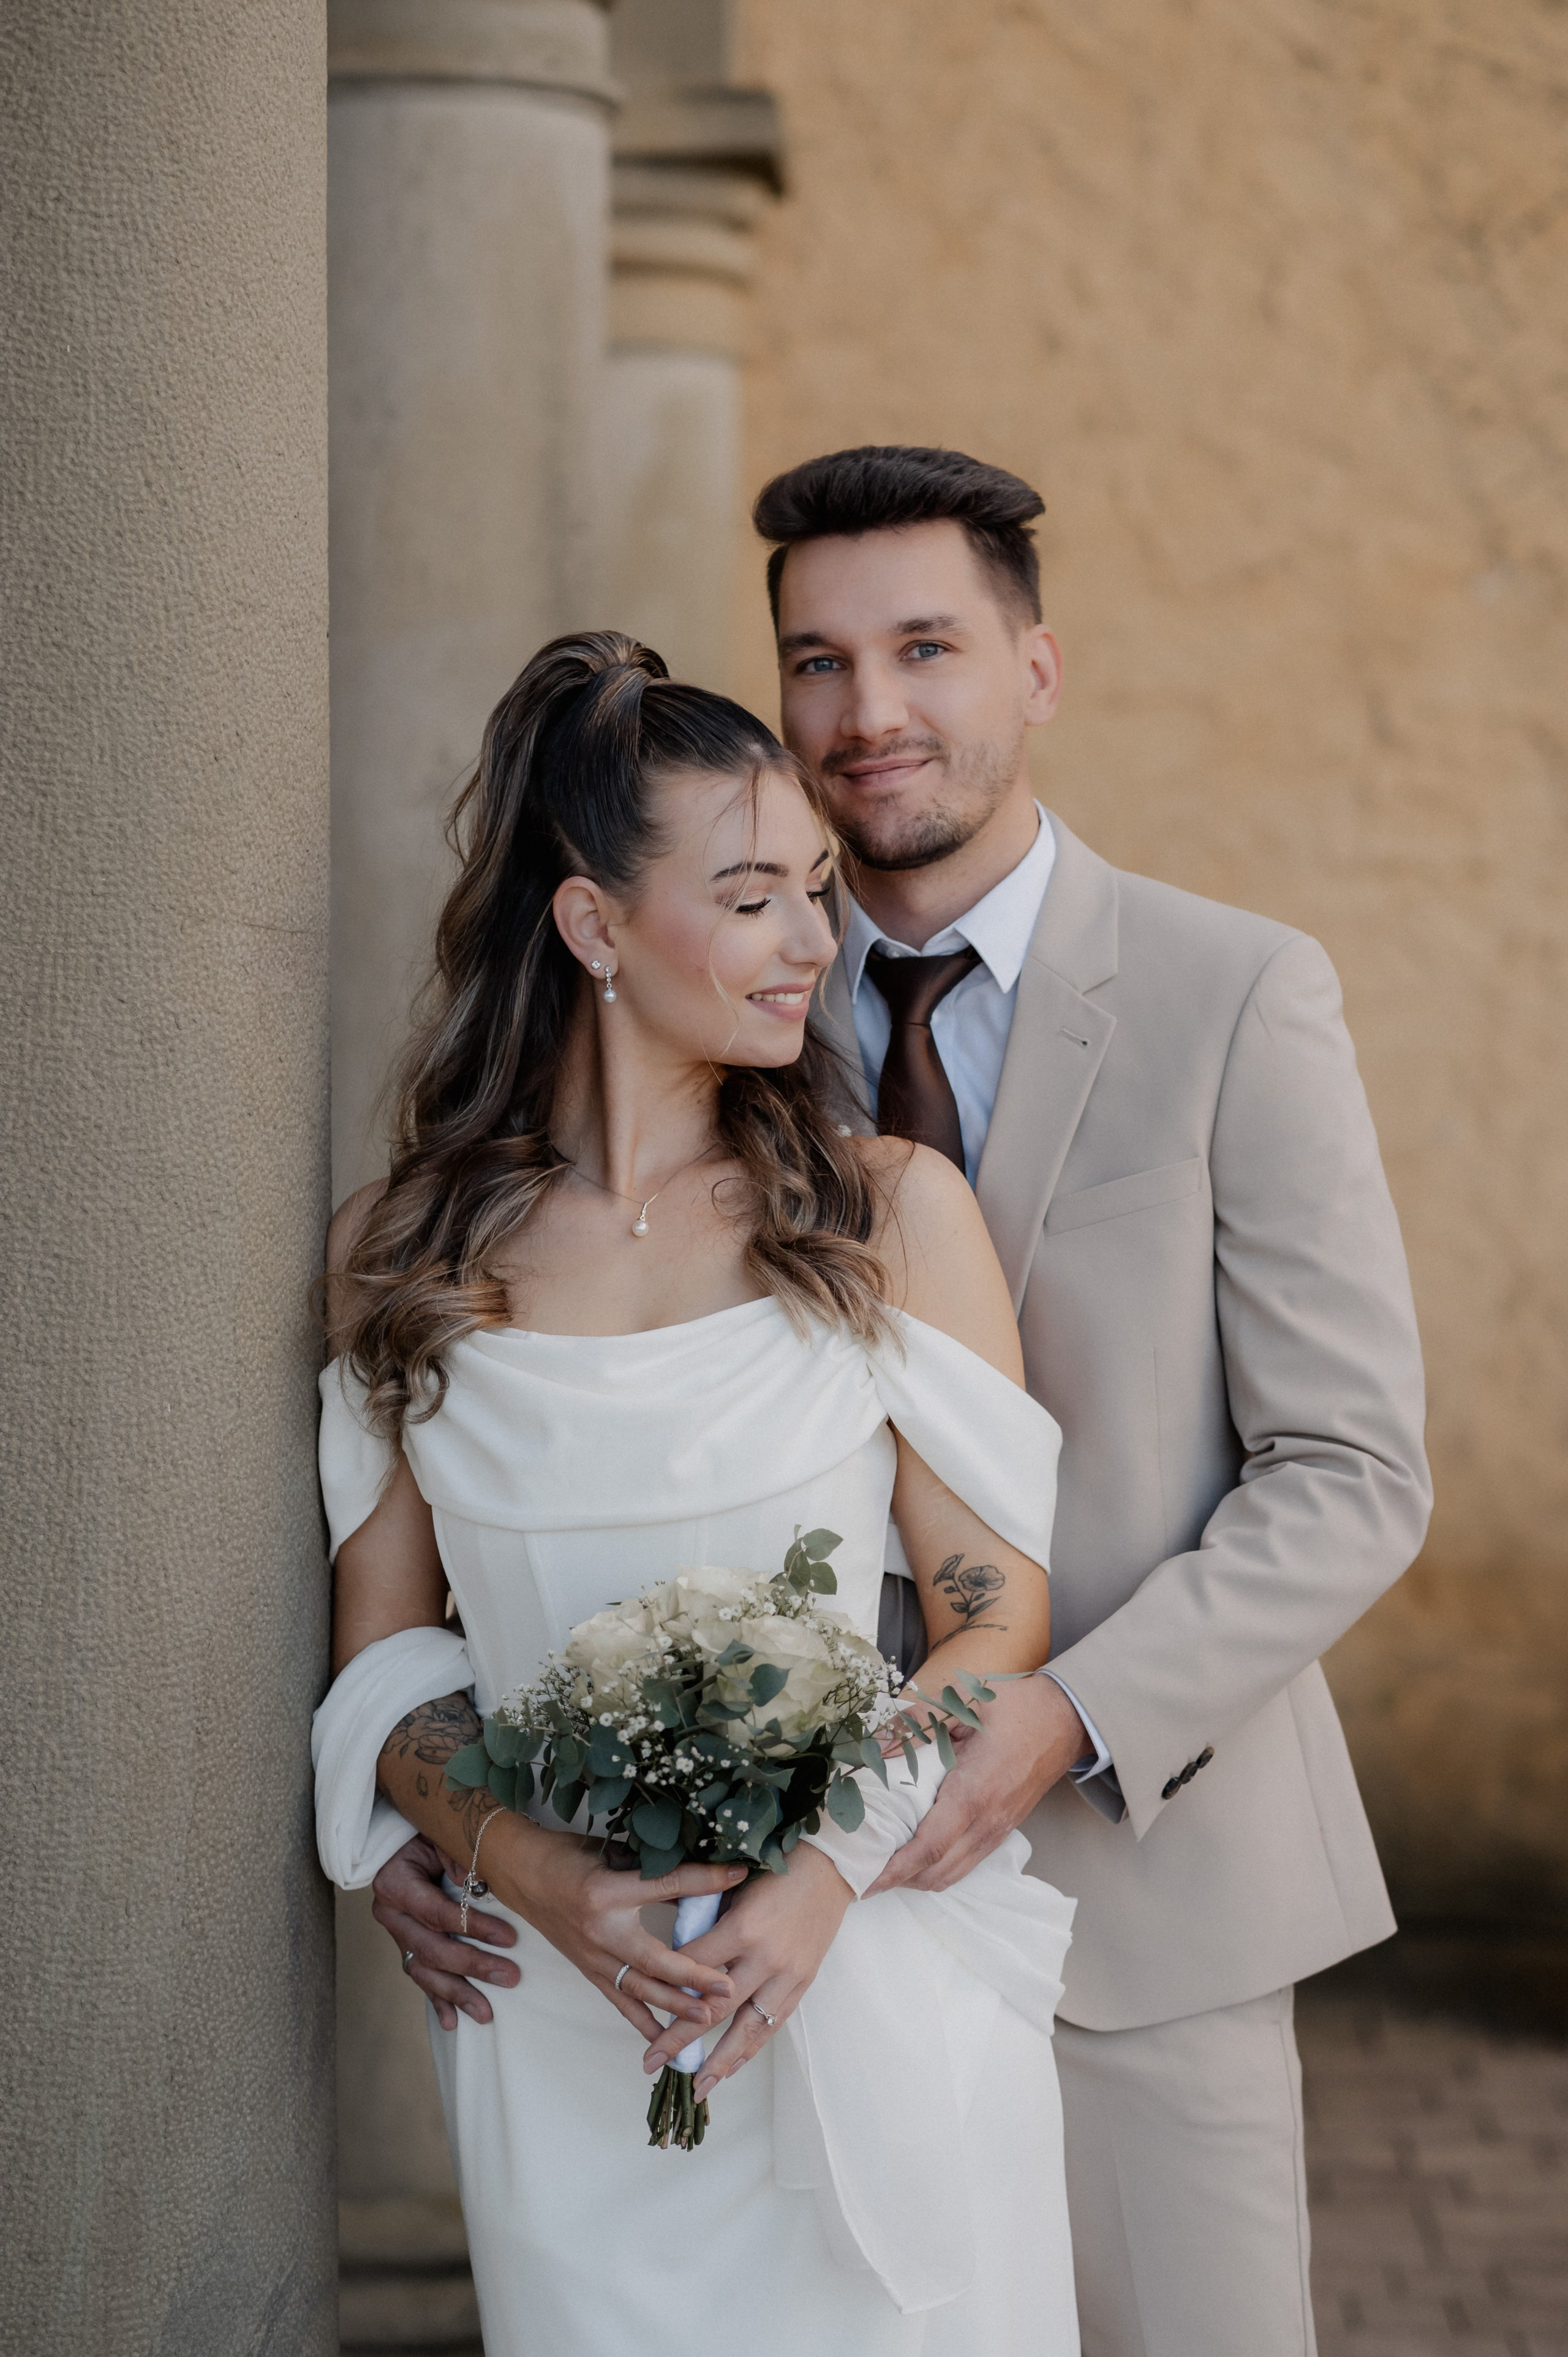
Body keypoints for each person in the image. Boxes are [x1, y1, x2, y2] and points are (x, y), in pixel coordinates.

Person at [381, 448, 1432, 2357]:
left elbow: (1351, 1473)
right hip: (742, 1932)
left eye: (926, 647)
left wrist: (1066, 1716)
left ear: (1035, 668)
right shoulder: (739, 995)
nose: (869, 714)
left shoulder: (1234, 993)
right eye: (818, 660)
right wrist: (445, 1828)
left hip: (1141, 1894)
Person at [314, 633, 1081, 2357]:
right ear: (593, 926)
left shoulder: (888, 1215)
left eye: (819, 887)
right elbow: (385, 1664)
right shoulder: (402, 1253)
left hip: (859, 1973)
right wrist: (517, 1858)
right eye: (753, 898)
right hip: (559, 2024)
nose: (819, 939)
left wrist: (816, 1879)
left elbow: (992, 1621)